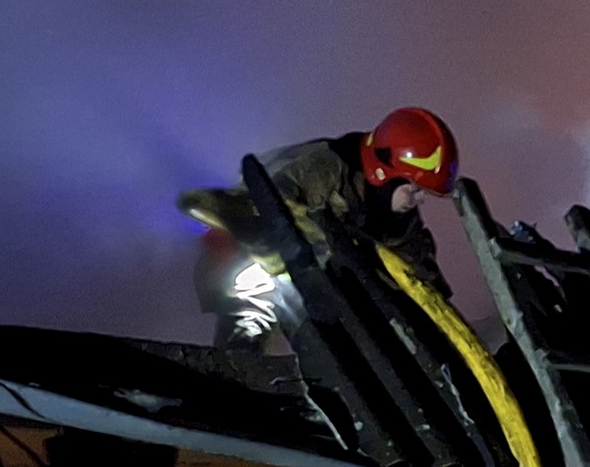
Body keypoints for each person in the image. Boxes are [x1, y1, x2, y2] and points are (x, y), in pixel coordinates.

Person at [179, 106, 460, 347]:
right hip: (248, 248)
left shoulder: (398, 213)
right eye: (413, 188)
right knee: (257, 302)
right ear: (384, 172)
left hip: (310, 265)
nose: (420, 199)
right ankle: (239, 370)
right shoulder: (323, 168)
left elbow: (420, 276)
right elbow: (255, 211)